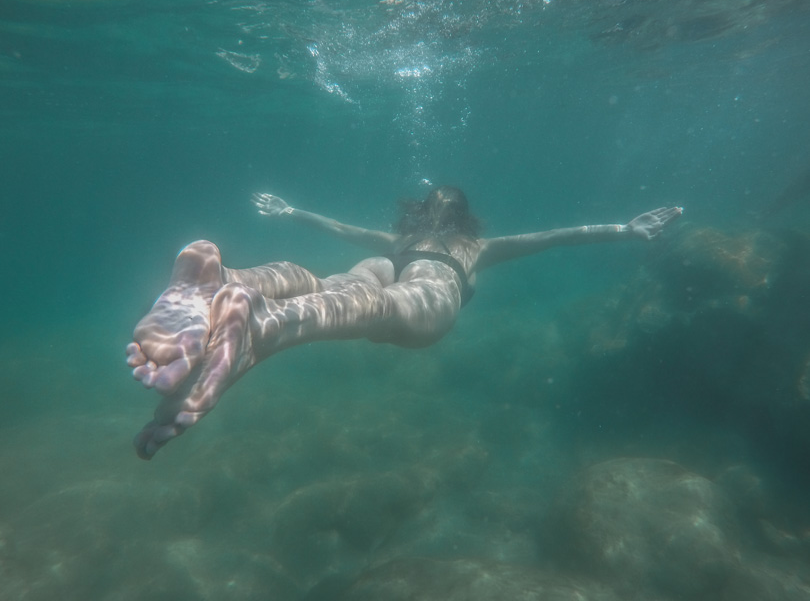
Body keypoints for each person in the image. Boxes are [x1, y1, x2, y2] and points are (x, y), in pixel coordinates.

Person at [126, 186, 682, 459]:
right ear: (462, 217)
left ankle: (233, 279)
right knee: (376, 300)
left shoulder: (402, 240)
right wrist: (625, 230)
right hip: (430, 303)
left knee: (344, 279)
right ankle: (260, 327)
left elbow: (338, 227)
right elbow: (556, 238)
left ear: (422, 214)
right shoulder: (476, 245)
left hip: (396, 274)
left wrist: (291, 212)